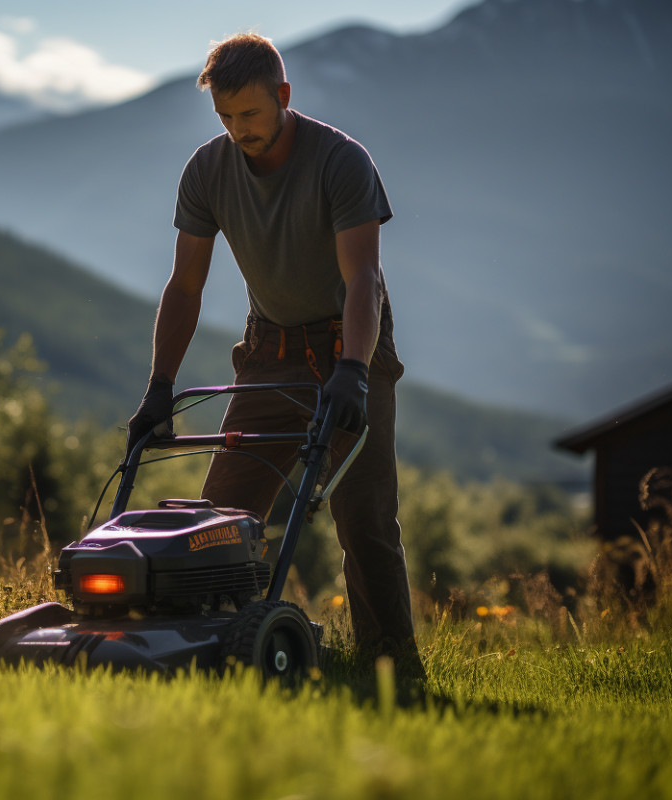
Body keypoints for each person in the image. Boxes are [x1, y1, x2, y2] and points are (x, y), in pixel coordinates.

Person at [126, 32, 423, 678]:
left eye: (250, 114)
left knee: (366, 521)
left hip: (352, 345)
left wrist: (354, 372)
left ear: (283, 94)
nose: (239, 130)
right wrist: (159, 386)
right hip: (269, 349)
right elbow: (185, 285)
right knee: (221, 519)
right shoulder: (208, 170)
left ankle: (393, 668)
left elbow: (364, 279)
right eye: (225, 117)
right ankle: (209, 652)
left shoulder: (341, 161)